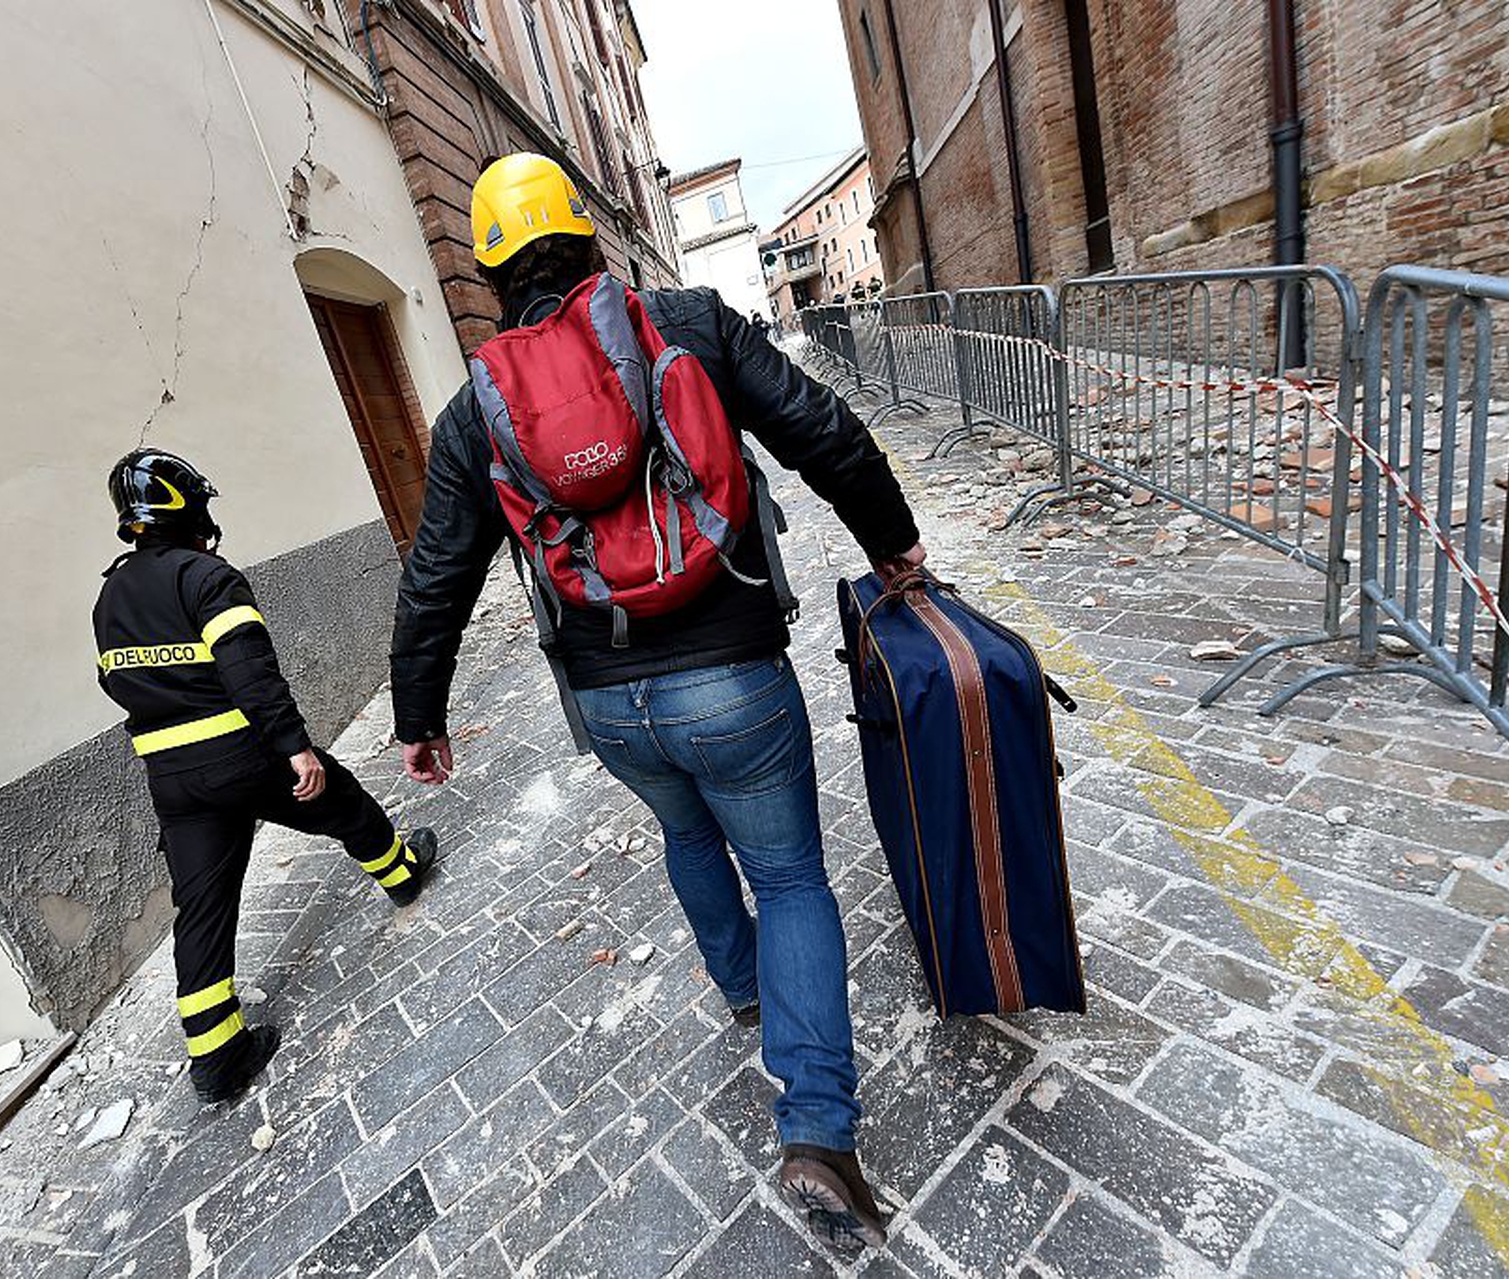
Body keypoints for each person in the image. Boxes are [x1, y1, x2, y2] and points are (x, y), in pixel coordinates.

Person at [389, 153, 924, 1250]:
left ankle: (743, 994)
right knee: (788, 876)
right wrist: (896, 545)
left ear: (490, 274)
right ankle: (819, 1129)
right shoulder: (685, 320)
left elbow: (437, 569)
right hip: (732, 673)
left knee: (686, 828)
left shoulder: (475, 409)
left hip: (611, 701)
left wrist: (420, 713)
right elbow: (819, 429)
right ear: (589, 241)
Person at [95, 449, 441, 1104]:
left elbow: (114, 679)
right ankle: (402, 874)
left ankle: (217, 1055)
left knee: (201, 906)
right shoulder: (207, 577)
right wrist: (295, 747)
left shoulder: (110, 593)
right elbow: (250, 671)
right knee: (347, 806)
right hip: (244, 755)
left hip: (172, 777)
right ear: (186, 505)